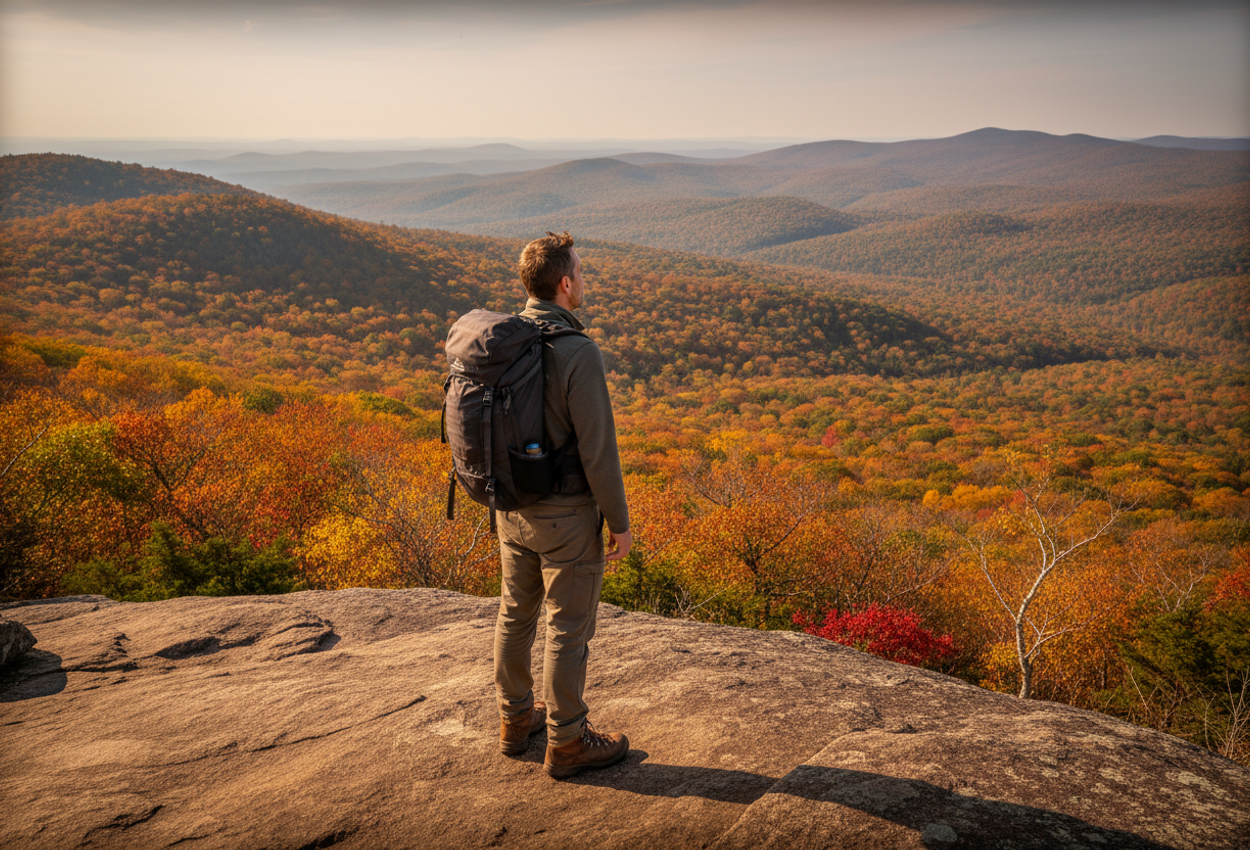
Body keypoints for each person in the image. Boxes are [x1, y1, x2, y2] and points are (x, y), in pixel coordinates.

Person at [494, 231, 633, 779]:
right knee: (568, 628)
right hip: (566, 516)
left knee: (514, 614)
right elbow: (599, 450)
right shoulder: (577, 351)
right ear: (566, 283)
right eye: (580, 269)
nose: (584, 279)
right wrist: (619, 523)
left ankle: (514, 720)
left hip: (509, 509)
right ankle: (568, 743)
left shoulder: (504, 342)